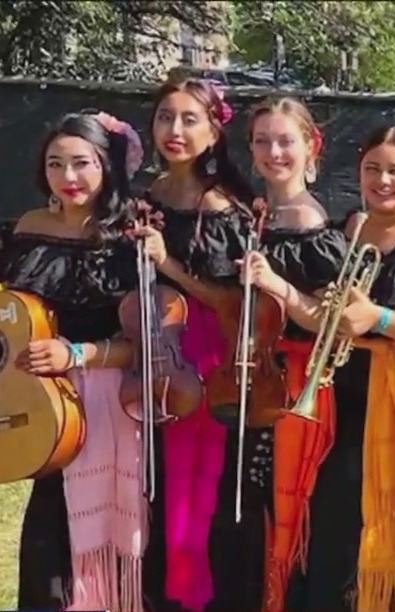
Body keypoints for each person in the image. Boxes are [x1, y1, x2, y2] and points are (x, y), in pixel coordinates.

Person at [280, 125, 395, 612]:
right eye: (372, 169)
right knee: (329, 523)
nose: (383, 180)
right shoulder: (348, 231)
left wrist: (378, 318)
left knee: (375, 518)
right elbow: (325, 318)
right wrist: (278, 286)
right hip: (338, 393)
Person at [4, 111, 141, 611]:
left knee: (109, 535)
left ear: (107, 166)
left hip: (110, 402)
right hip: (42, 405)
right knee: (48, 530)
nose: (69, 177)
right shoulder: (30, 227)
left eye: (81, 163)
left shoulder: (130, 238)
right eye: (56, 163)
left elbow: (147, 344)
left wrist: (76, 354)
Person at [136, 76, 257, 610]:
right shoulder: (148, 195)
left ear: (214, 131)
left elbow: (230, 303)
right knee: (152, 485)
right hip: (151, 347)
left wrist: (169, 266)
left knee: (195, 488)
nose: (175, 130)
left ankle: (194, 596)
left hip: (203, 356)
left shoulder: (224, 207)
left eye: (189, 119)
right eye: (166, 117)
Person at [230, 95, 348, 612]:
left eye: (285, 140)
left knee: (291, 515)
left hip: (299, 382)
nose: (273, 151)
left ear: (310, 146)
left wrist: (276, 284)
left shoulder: (312, 224)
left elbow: (329, 322)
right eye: (262, 141)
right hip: (254, 377)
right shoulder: (255, 214)